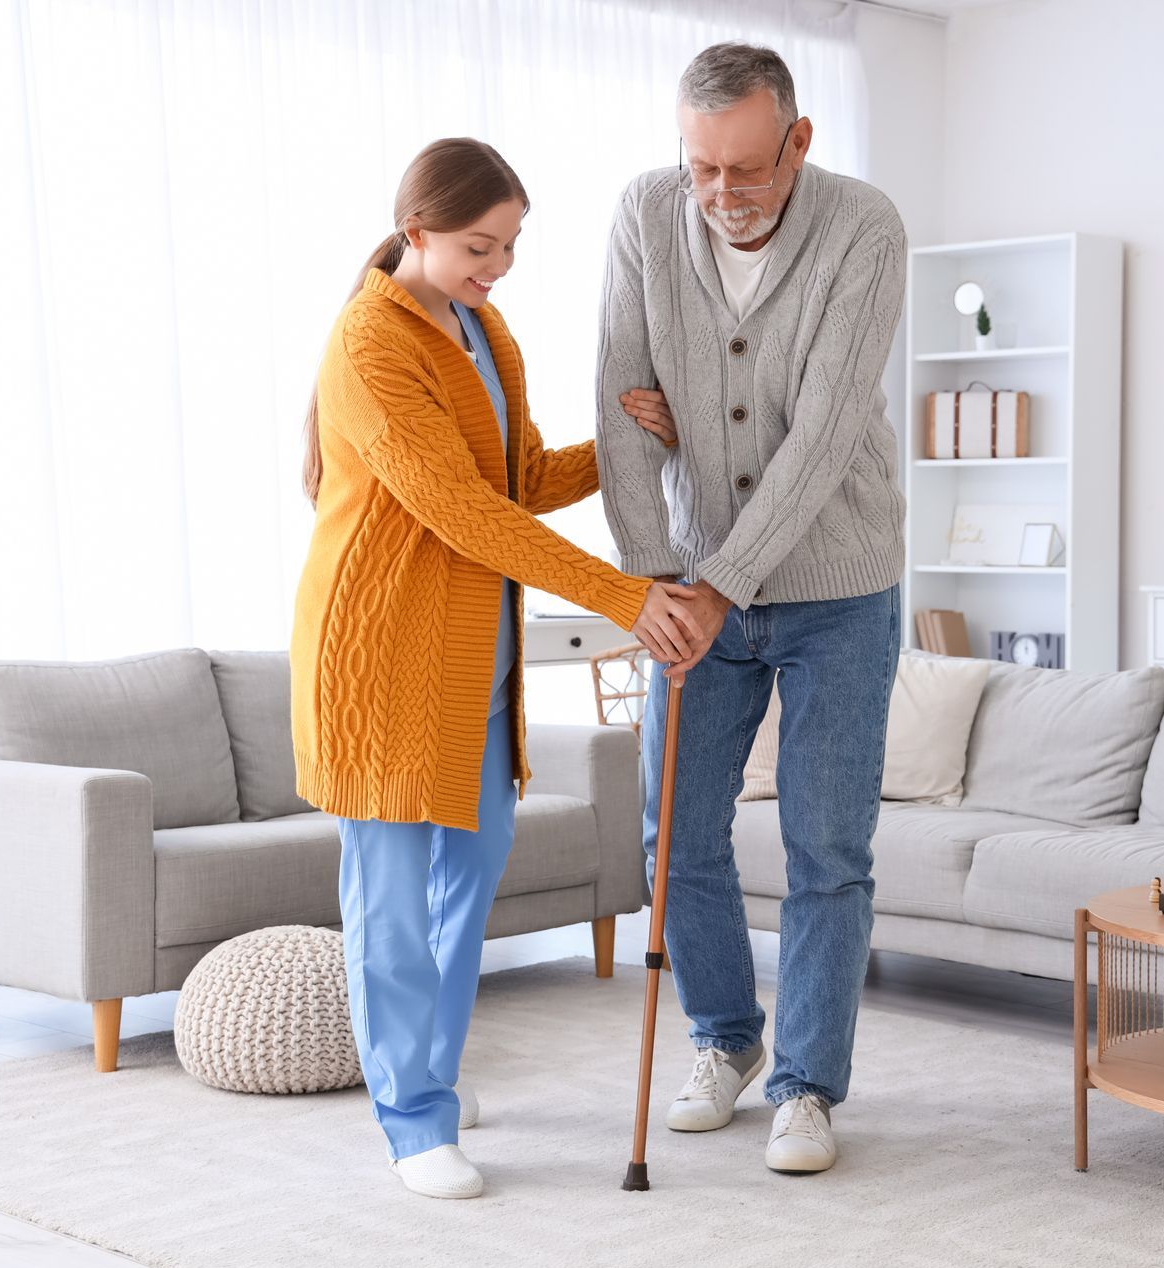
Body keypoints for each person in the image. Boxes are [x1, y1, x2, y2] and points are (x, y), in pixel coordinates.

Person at [290, 137, 697, 1200]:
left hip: (479, 659)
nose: (499, 265)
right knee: (388, 894)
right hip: (381, 657)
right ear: (415, 230)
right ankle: (413, 1116)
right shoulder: (370, 345)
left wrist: (627, 444)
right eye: (480, 245)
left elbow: (513, 477)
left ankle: (431, 1070)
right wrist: (622, 596)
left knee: (466, 882)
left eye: (511, 244)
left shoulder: (483, 326)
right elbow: (464, 513)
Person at [596, 43, 908, 1175]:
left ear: (799, 142)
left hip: (838, 583)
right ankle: (726, 1040)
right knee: (672, 833)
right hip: (687, 585)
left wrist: (715, 583)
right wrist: (650, 586)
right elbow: (621, 411)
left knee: (828, 843)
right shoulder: (644, 214)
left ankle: (806, 1085)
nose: (721, 195)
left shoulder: (865, 227)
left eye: (745, 169)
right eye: (700, 169)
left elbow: (823, 434)